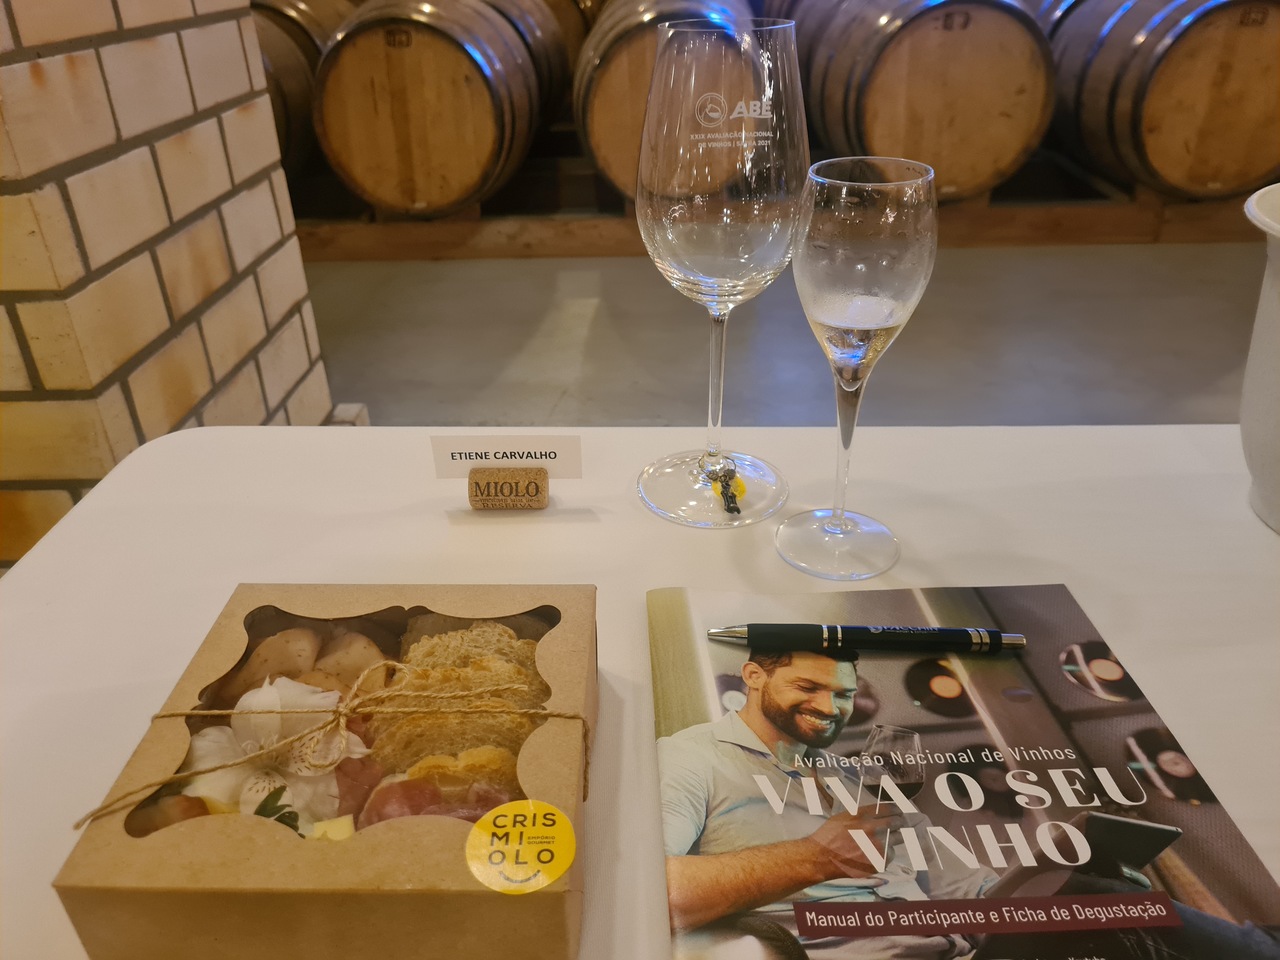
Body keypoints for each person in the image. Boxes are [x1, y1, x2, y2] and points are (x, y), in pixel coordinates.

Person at [657, 648, 995, 959]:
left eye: (843, 694)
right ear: (754, 676)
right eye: (807, 687)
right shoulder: (689, 757)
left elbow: (967, 888)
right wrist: (817, 856)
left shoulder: (860, 777)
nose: (830, 708)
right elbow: (648, 892)